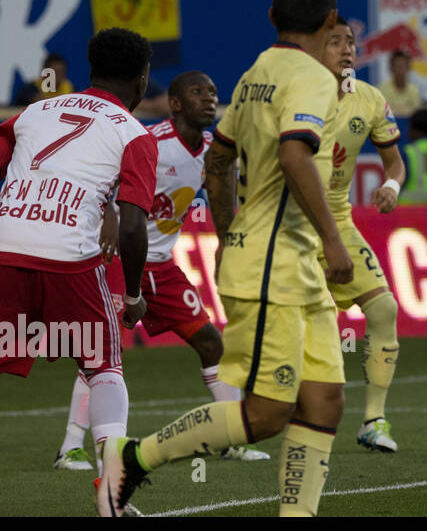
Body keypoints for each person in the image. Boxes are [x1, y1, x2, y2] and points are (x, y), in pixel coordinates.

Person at [100, 0, 351, 518]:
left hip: (287, 260)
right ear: (330, 20)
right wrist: (334, 240)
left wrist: (225, 232)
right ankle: (132, 458)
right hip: (275, 263)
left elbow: (220, 156)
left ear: (271, 18)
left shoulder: (257, 71)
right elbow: (293, 154)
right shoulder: (310, 79)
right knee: (264, 416)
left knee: (325, 399)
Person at [53, 72, 271, 474]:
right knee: (102, 354)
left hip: (163, 267)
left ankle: (231, 439)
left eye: (213, 92)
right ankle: (71, 448)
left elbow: (224, 199)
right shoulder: (151, 142)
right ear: (174, 103)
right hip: (119, 260)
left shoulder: (213, 151)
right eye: (197, 92)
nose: (209, 99)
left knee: (211, 343)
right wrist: (105, 218)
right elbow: (103, 178)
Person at [0, 28, 158, 517]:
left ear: (89, 70)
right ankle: (111, 493)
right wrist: (132, 295)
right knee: (102, 365)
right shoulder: (134, 134)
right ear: (142, 80)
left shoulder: (32, 111)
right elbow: (132, 227)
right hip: (68, 259)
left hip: (5, 248)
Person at [318, 17, 407, 451]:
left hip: (339, 220)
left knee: (384, 309)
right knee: (298, 331)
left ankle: (373, 420)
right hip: (291, 227)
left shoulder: (370, 99)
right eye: (335, 42)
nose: (346, 49)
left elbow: (395, 163)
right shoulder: (293, 96)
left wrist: (391, 187)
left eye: (350, 41)